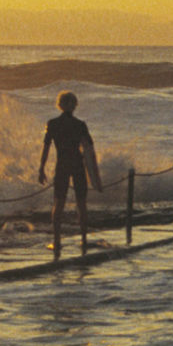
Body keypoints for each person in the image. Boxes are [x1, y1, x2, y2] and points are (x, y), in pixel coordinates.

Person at [38, 91, 101, 258]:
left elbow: (46, 148)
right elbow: (89, 149)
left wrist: (41, 168)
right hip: (77, 166)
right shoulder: (80, 125)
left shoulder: (52, 124)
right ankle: (84, 239)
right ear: (74, 105)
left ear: (59, 104)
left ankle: (57, 242)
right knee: (81, 203)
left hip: (62, 166)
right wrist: (95, 175)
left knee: (58, 203)